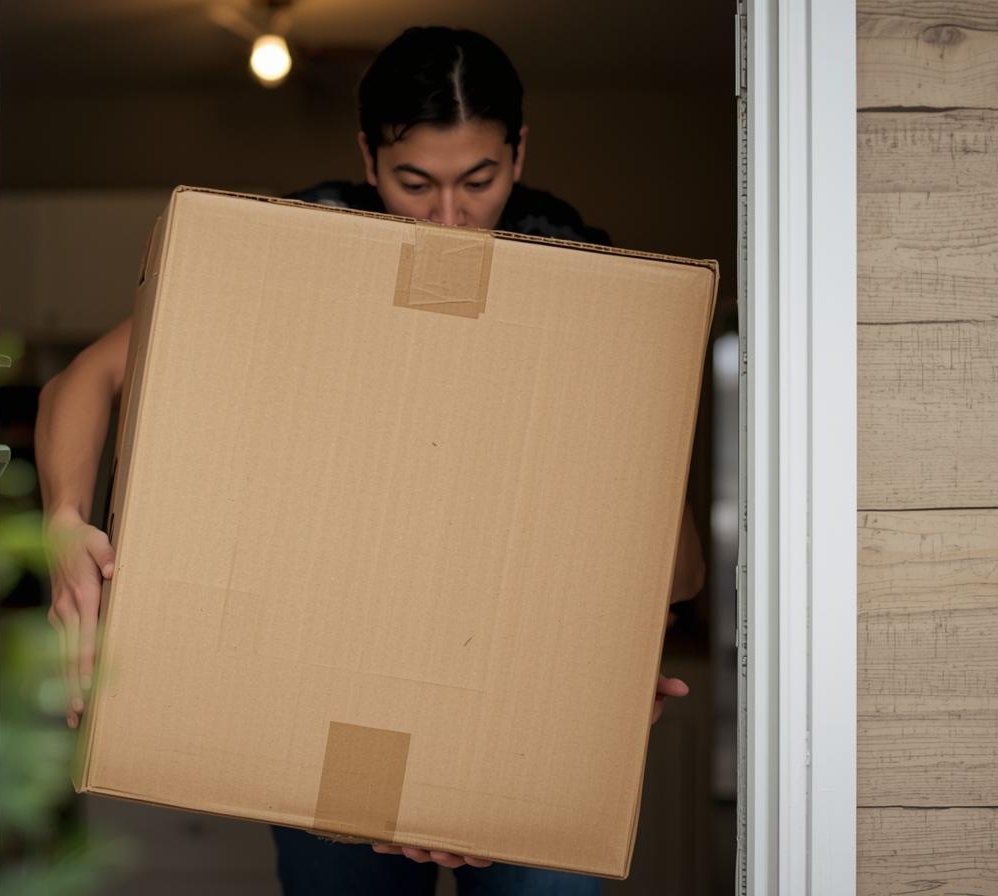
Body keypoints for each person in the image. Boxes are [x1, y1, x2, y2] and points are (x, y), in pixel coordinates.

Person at [35, 25, 705, 896]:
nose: (449, 220)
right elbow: (84, 380)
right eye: (414, 183)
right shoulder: (305, 249)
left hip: (509, 717)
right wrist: (61, 521)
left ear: (520, 152)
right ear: (368, 156)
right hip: (324, 696)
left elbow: (679, 570)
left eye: (480, 181)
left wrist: (603, 650)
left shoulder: (584, 281)